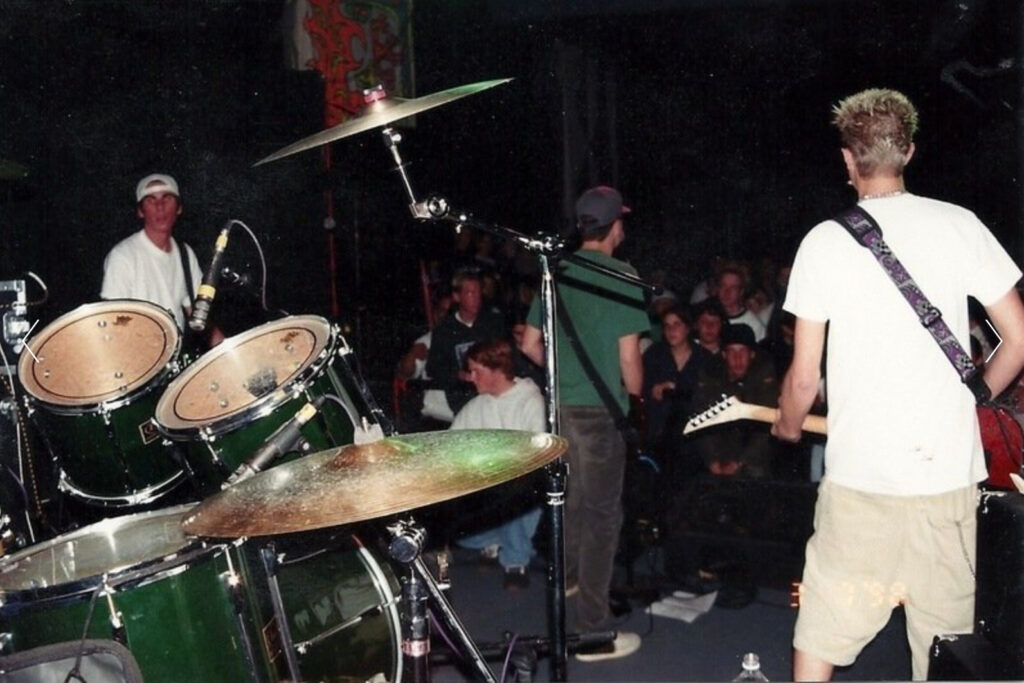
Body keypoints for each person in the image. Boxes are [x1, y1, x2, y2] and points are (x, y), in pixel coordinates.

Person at [772, 88, 1024, 681]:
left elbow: (804, 376)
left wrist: (785, 426)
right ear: (907, 151)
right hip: (945, 480)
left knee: (823, 626)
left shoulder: (824, 241)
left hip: (861, 480)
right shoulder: (959, 224)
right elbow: (1019, 338)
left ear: (847, 158)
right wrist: (975, 394)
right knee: (945, 646)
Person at [520, 185, 648, 662]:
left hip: (559, 412)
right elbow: (630, 362)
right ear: (616, 226)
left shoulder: (558, 270)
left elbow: (530, 344)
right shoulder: (623, 275)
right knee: (601, 517)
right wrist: (634, 398)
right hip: (599, 414)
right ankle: (593, 633)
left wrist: (562, 378)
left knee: (570, 503)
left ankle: (571, 580)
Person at [450, 339, 546, 589]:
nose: (470, 378)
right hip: (487, 487)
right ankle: (495, 541)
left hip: (523, 488)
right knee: (457, 528)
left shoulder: (530, 401)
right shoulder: (476, 406)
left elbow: (535, 457)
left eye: (476, 371)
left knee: (512, 494)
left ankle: (516, 561)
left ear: (496, 370)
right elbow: (450, 446)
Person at [101, 173, 222, 345]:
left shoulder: (185, 253)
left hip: (175, 359)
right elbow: (113, 324)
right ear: (140, 211)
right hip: (137, 359)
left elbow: (199, 316)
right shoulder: (122, 256)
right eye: (150, 200)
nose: (160, 206)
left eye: (167, 198)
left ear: (179, 208)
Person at [691, 323, 777, 478]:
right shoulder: (710, 375)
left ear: (752, 354)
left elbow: (765, 426)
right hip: (719, 456)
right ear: (724, 355)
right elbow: (701, 419)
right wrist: (712, 461)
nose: (738, 358)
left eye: (742, 351)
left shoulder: (764, 376)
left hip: (753, 458)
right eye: (732, 352)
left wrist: (741, 461)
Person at [425, 269, 506, 417]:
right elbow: (434, 368)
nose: (476, 298)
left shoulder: (493, 323)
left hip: (494, 393)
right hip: (463, 398)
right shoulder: (445, 330)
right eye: (470, 293)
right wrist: (458, 375)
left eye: (478, 292)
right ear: (457, 296)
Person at [642, 304, 709, 459]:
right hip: (658, 436)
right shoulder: (654, 355)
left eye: (677, 324)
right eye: (667, 326)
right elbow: (642, 388)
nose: (671, 330)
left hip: (692, 439)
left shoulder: (704, 359)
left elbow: (707, 395)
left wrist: (677, 388)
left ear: (688, 328)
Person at [713, 264, 767, 342]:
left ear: (741, 291)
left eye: (733, 287)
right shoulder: (708, 319)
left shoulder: (753, 324)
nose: (727, 292)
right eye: (723, 286)